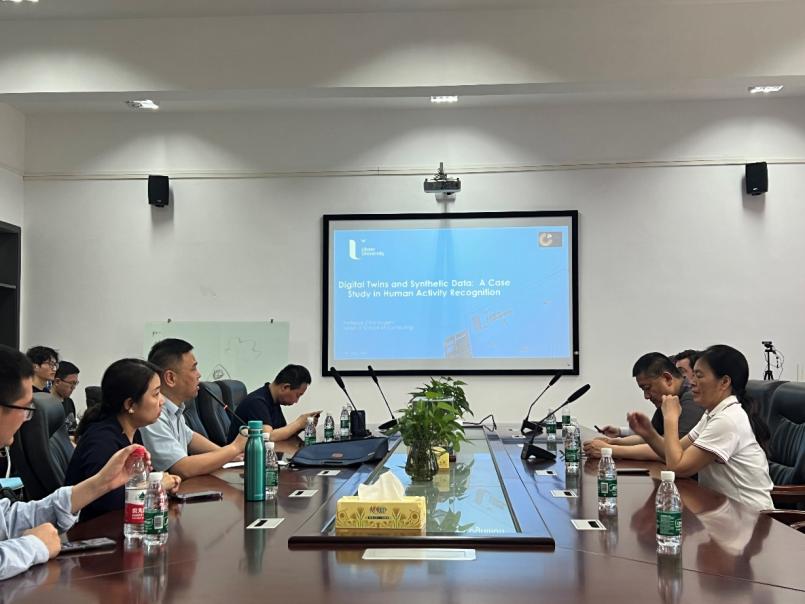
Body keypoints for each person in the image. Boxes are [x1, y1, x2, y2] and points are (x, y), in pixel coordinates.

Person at [0, 345, 154, 581]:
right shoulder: (102, 436)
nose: (25, 418)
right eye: (24, 409)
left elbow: (7, 521)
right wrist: (33, 546)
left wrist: (102, 483)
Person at [628, 344, 774, 511]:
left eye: (699, 376)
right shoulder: (713, 414)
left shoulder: (727, 420)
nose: (692, 382)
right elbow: (677, 451)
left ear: (724, 382)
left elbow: (677, 468)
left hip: (749, 517)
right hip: (723, 510)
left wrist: (671, 418)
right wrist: (649, 434)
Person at [64, 359, 181, 523]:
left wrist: (161, 481)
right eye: (156, 394)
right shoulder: (101, 440)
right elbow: (104, 499)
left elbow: (138, 480)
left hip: (120, 525)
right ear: (130, 404)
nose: (162, 401)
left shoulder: (132, 432)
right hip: (93, 531)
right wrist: (156, 486)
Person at [140, 339, 247, 479]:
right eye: (193, 369)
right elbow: (182, 468)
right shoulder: (153, 415)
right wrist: (234, 448)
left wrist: (228, 455)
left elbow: (190, 438)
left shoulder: (175, 408)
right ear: (171, 378)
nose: (199, 375)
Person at [585, 353, 704, 460]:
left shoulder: (691, 399)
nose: (646, 396)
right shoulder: (669, 400)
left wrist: (610, 450)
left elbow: (671, 452)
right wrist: (613, 442)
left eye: (648, 388)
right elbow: (651, 438)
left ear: (667, 378)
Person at [226, 364, 320, 443]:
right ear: (285, 387)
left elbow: (281, 433)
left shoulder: (273, 400)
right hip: (240, 457)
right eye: (298, 395)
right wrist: (298, 423)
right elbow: (269, 437)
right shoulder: (257, 402)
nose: (296, 401)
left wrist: (302, 426)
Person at [50, 360, 79, 426]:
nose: (73, 387)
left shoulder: (69, 402)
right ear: (57, 382)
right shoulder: (45, 404)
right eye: (71, 383)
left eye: (75, 383)